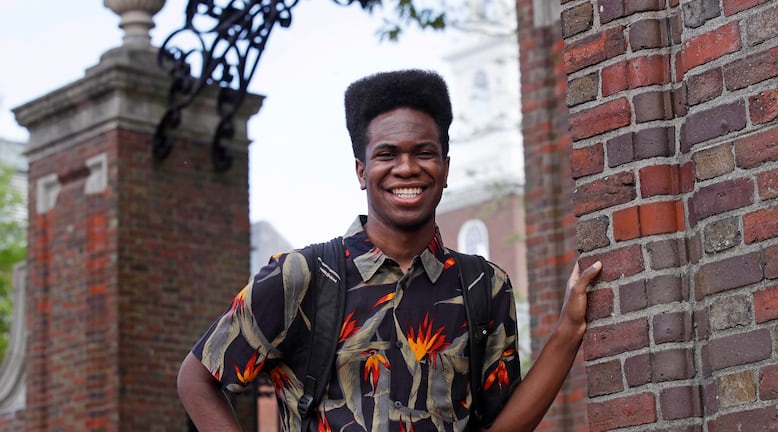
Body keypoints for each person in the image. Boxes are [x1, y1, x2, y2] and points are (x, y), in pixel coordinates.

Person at [177, 69, 603, 431]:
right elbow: (197, 378)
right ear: (362, 172)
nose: (406, 167)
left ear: (445, 168)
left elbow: (502, 426)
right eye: (387, 154)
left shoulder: (482, 287)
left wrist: (568, 331)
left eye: (424, 153)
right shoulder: (302, 276)